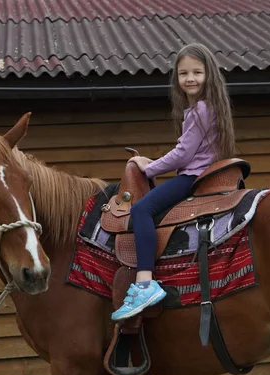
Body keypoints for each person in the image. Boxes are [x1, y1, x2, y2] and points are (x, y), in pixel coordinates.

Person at [110, 43, 236, 321]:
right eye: (183, 73)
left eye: (197, 72)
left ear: (209, 75)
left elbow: (183, 154)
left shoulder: (201, 109)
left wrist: (148, 166)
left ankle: (145, 283)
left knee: (142, 210)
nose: (190, 78)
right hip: (199, 173)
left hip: (191, 177)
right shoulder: (209, 108)